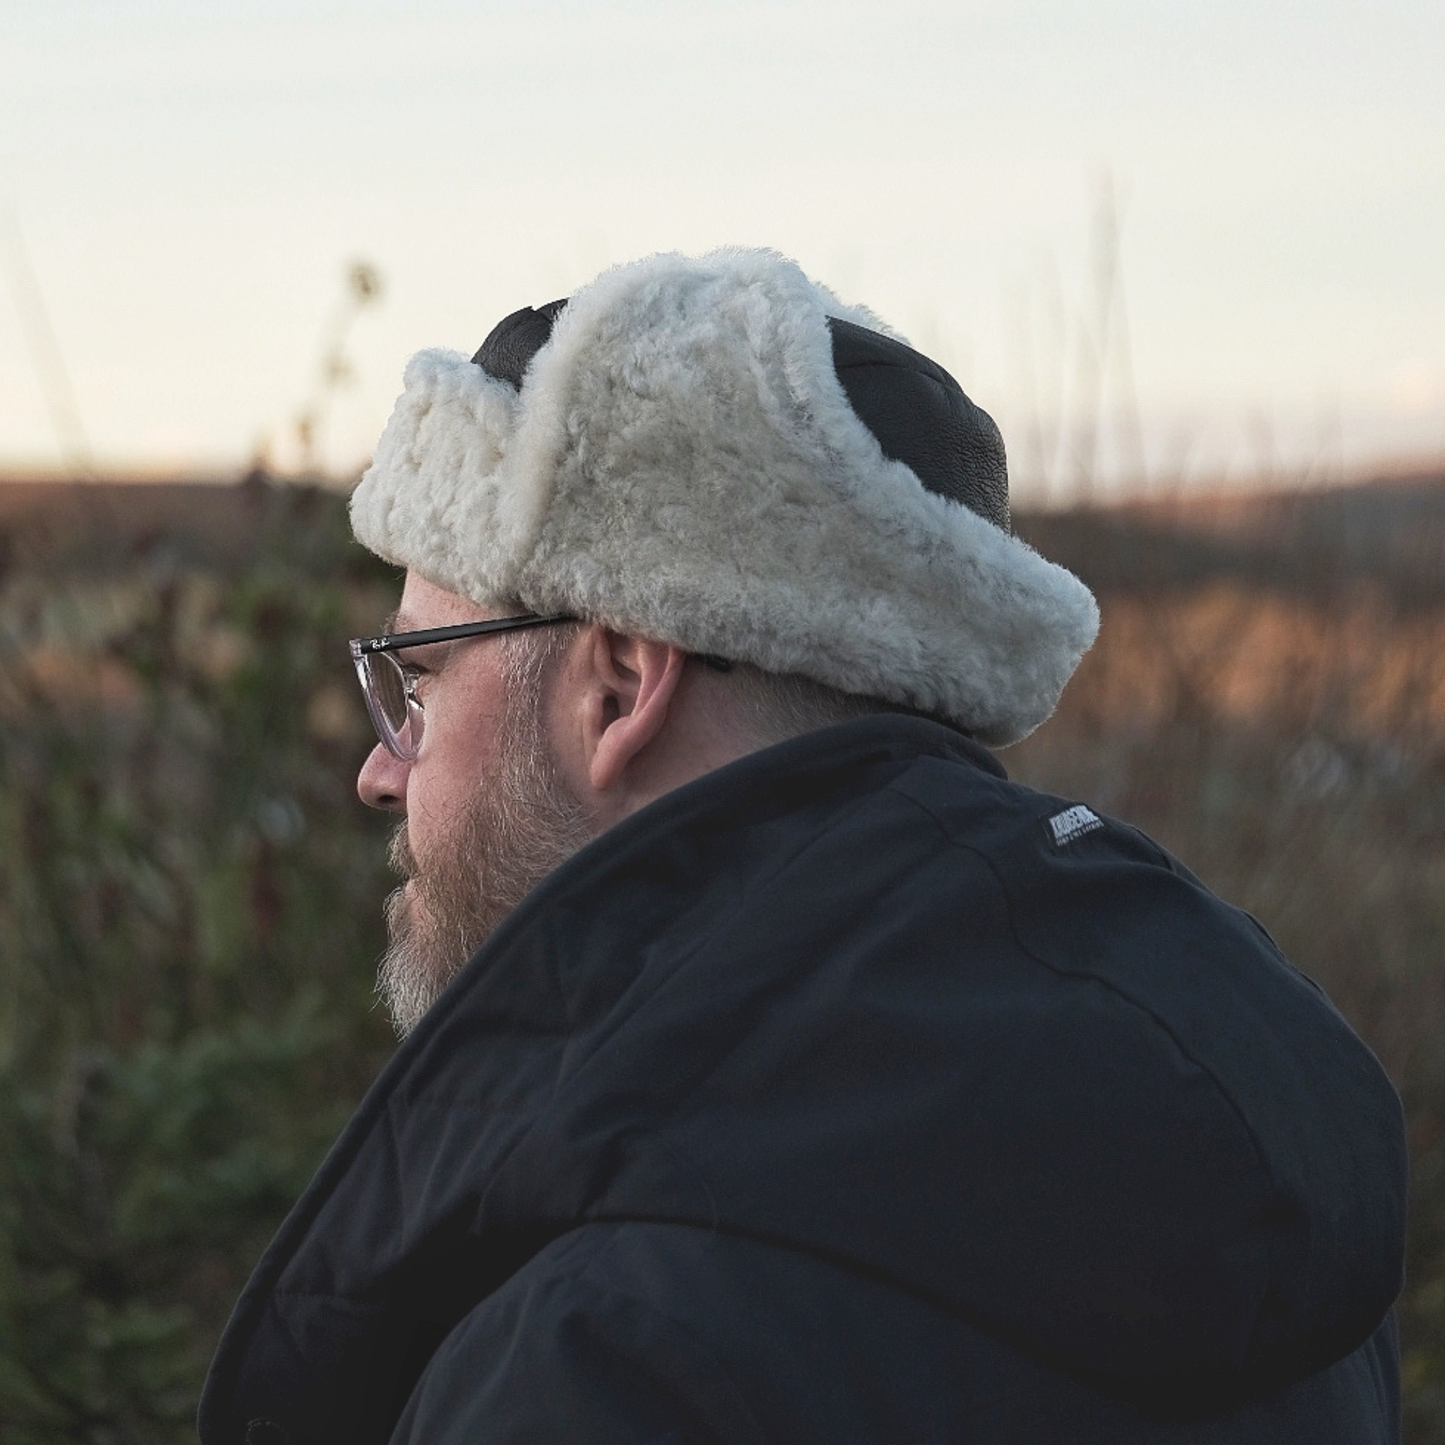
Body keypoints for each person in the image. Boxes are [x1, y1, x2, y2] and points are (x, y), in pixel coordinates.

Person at [200, 249, 1406, 1444]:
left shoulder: (609, 1351)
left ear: (615, 687)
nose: (379, 768)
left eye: (418, 677)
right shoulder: (1231, 1150)